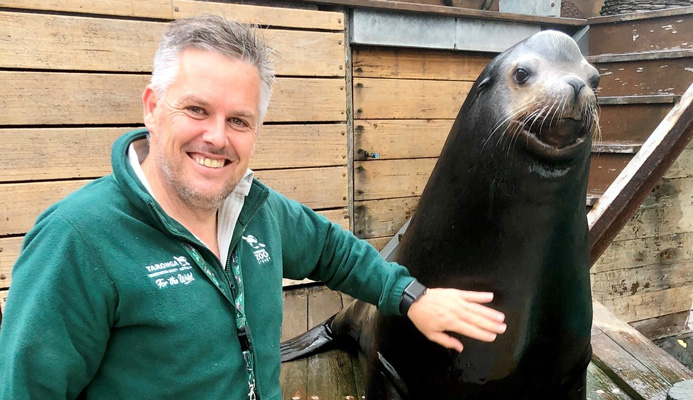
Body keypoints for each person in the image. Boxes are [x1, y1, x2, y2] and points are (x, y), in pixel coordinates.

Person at [0, 15, 506, 400]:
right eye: (196, 109)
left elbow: (334, 252)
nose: (216, 137)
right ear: (153, 106)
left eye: (239, 120)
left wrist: (412, 296)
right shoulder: (77, 239)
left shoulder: (257, 209)